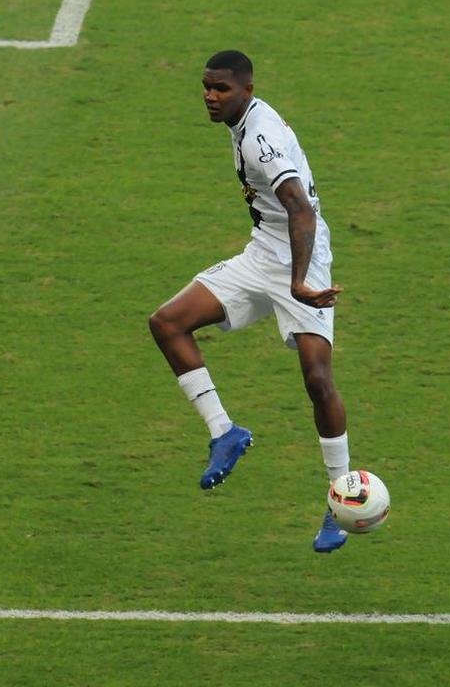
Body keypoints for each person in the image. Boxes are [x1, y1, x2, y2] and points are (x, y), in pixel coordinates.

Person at [148, 50, 352, 553]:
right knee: (168, 322)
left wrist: (301, 282)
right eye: (205, 86)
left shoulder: (262, 141)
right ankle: (225, 432)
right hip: (262, 254)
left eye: (220, 89)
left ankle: (340, 500)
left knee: (317, 379)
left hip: (303, 257)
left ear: (247, 89)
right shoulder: (242, 121)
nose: (210, 97)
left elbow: (301, 212)